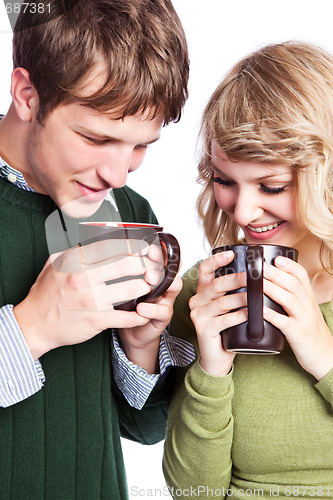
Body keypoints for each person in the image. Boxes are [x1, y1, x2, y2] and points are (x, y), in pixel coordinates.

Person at [0, 1, 195, 498]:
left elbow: (145, 428)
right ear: (27, 94)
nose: (117, 173)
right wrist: (30, 329)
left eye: (140, 145)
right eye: (95, 137)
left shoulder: (129, 209)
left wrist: (143, 345)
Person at [163, 41, 333, 498]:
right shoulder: (205, 290)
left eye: (272, 185)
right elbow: (192, 490)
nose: (243, 213)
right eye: (224, 181)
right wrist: (211, 371)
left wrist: (323, 355)